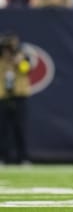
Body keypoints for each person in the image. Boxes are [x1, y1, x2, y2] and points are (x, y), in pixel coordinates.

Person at [0, 31, 32, 165]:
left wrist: (18, 60)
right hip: (2, 96)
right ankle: (2, 157)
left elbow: (26, 69)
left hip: (19, 95)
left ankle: (23, 157)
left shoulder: (22, 57)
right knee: (3, 129)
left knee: (20, 128)